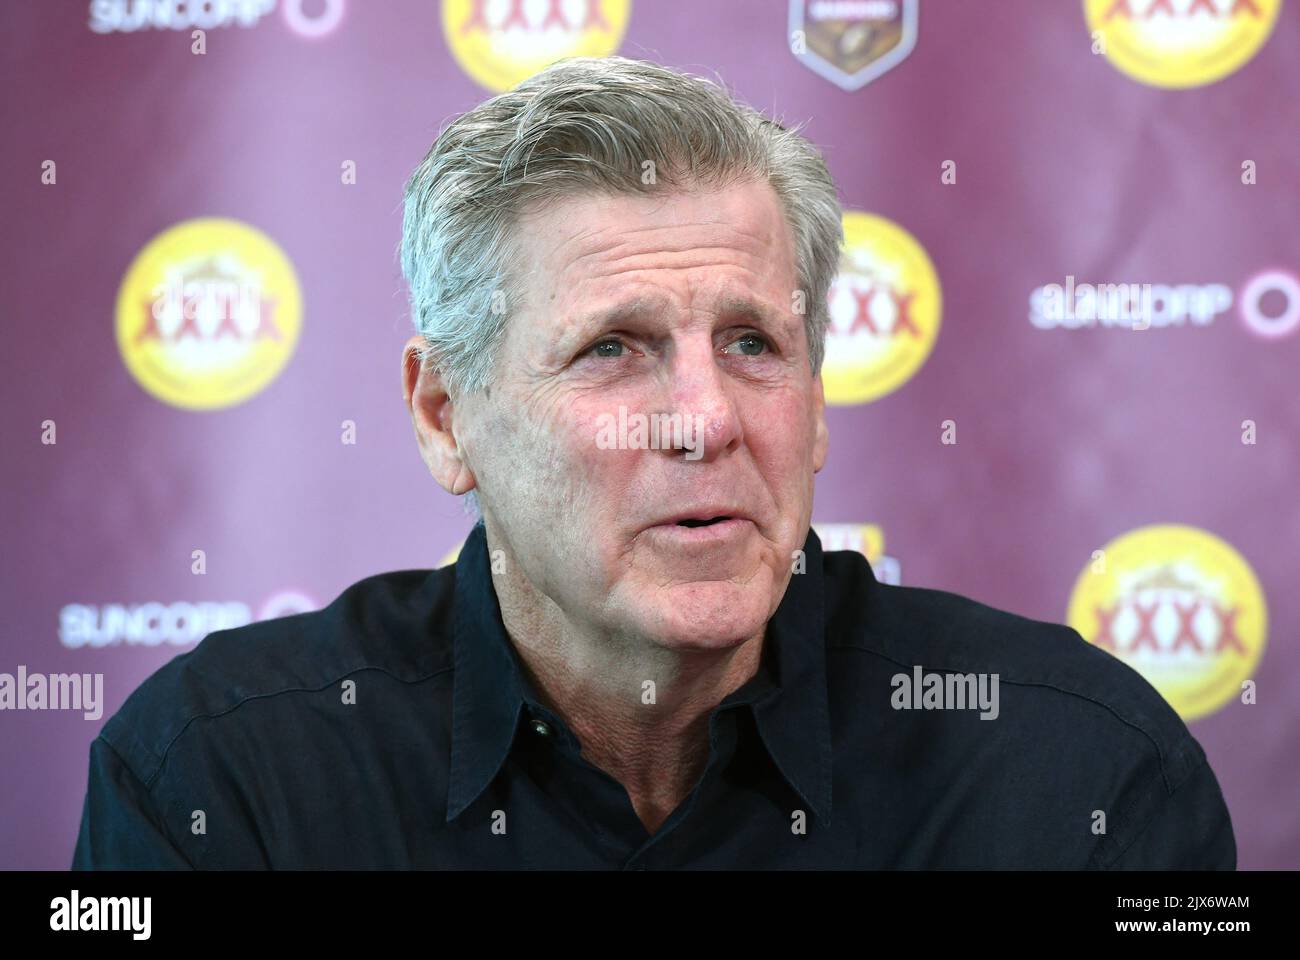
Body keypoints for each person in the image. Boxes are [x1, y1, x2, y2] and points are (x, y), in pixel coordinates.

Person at [72, 55, 1234, 869]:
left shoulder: (1079, 770)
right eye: (613, 349)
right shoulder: (220, 777)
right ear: (443, 415)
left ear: (817, 401)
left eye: (751, 343)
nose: (703, 420)